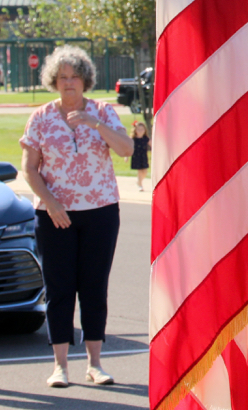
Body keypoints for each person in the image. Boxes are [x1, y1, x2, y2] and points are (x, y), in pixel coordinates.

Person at [20, 45, 134, 388]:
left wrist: (94, 123)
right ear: (53, 81)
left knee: (94, 288)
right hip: (55, 217)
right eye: (62, 77)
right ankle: (60, 366)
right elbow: (29, 169)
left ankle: (95, 364)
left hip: (100, 212)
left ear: (85, 80)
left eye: (74, 77)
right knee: (60, 289)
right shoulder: (41, 117)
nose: (69, 83)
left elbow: (126, 149)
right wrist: (51, 203)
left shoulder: (103, 112)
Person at [130, 121, 150, 191]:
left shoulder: (145, 139)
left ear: (145, 130)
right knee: (140, 171)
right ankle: (140, 185)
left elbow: (152, 145)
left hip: (143, 157)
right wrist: (126, 157)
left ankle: (139, 181)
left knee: (145, 171)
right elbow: (128, 147)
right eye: (138, 129)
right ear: (135, 130)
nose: (140, 131)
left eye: (142, 129)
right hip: (136, 156)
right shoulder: (133, 139)